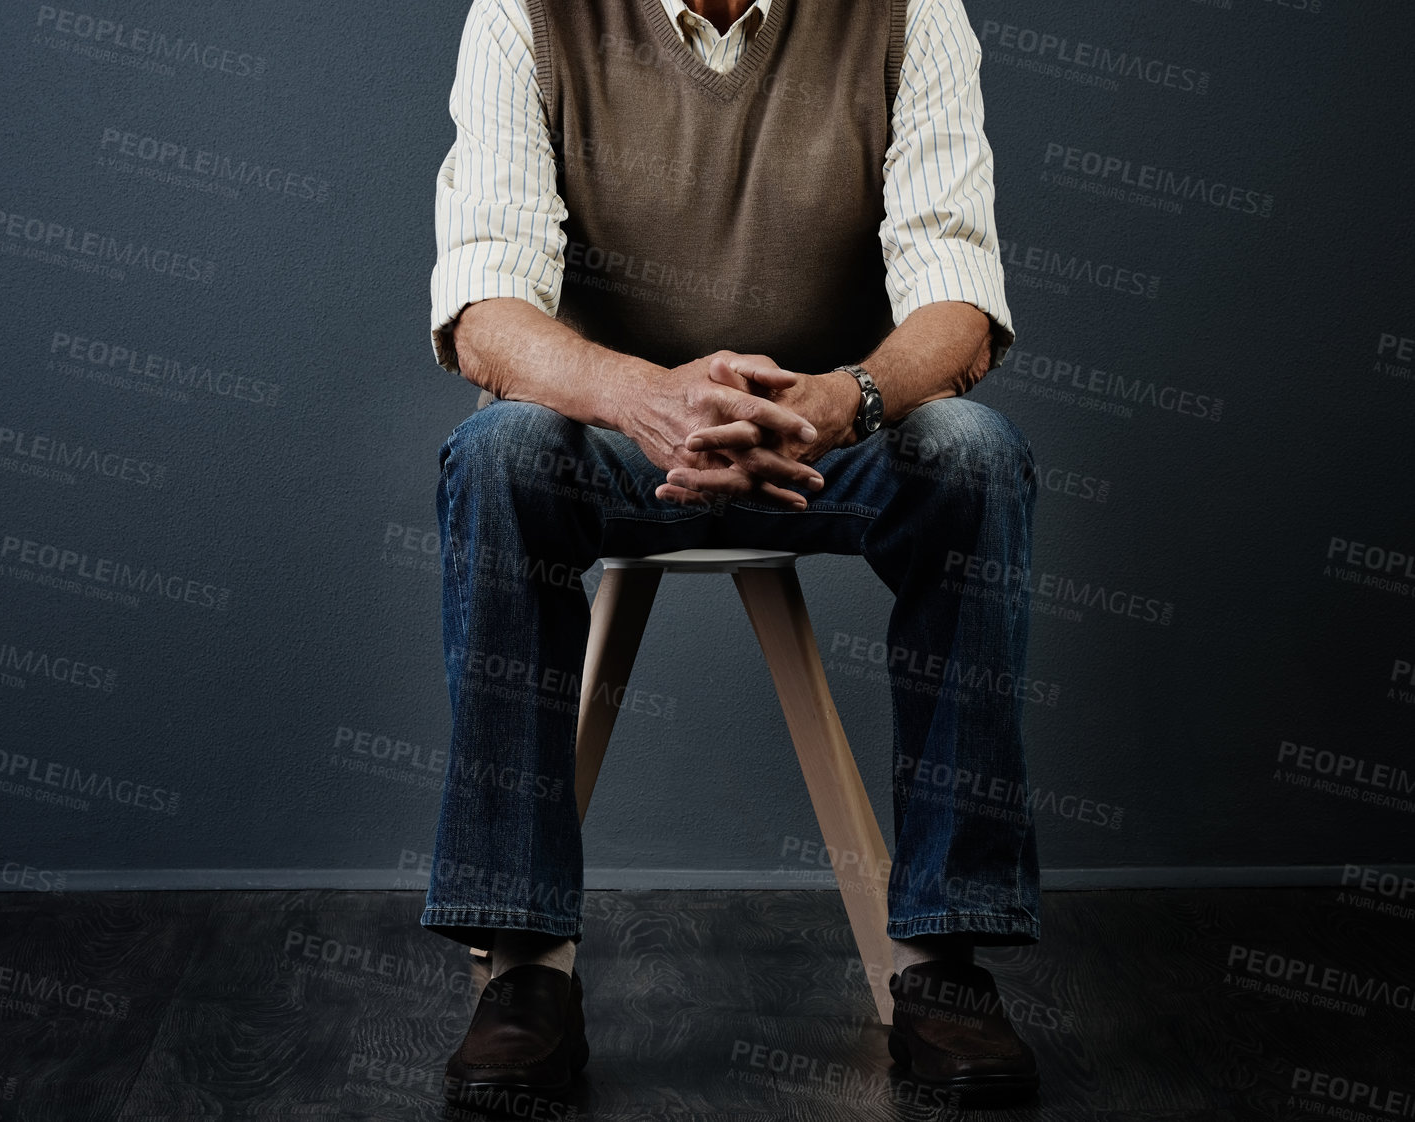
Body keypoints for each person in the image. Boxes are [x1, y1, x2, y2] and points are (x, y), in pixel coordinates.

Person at [423, 0, 1043, 1109]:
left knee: (973, 456)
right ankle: (524, 973)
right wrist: (640, 396)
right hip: (615, 439)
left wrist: (843, 399)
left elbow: (956, 290)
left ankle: (946, 959)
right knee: (502, 451)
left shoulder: (909, 14)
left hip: (827, 432)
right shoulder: (528, 14)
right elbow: (484, 303)